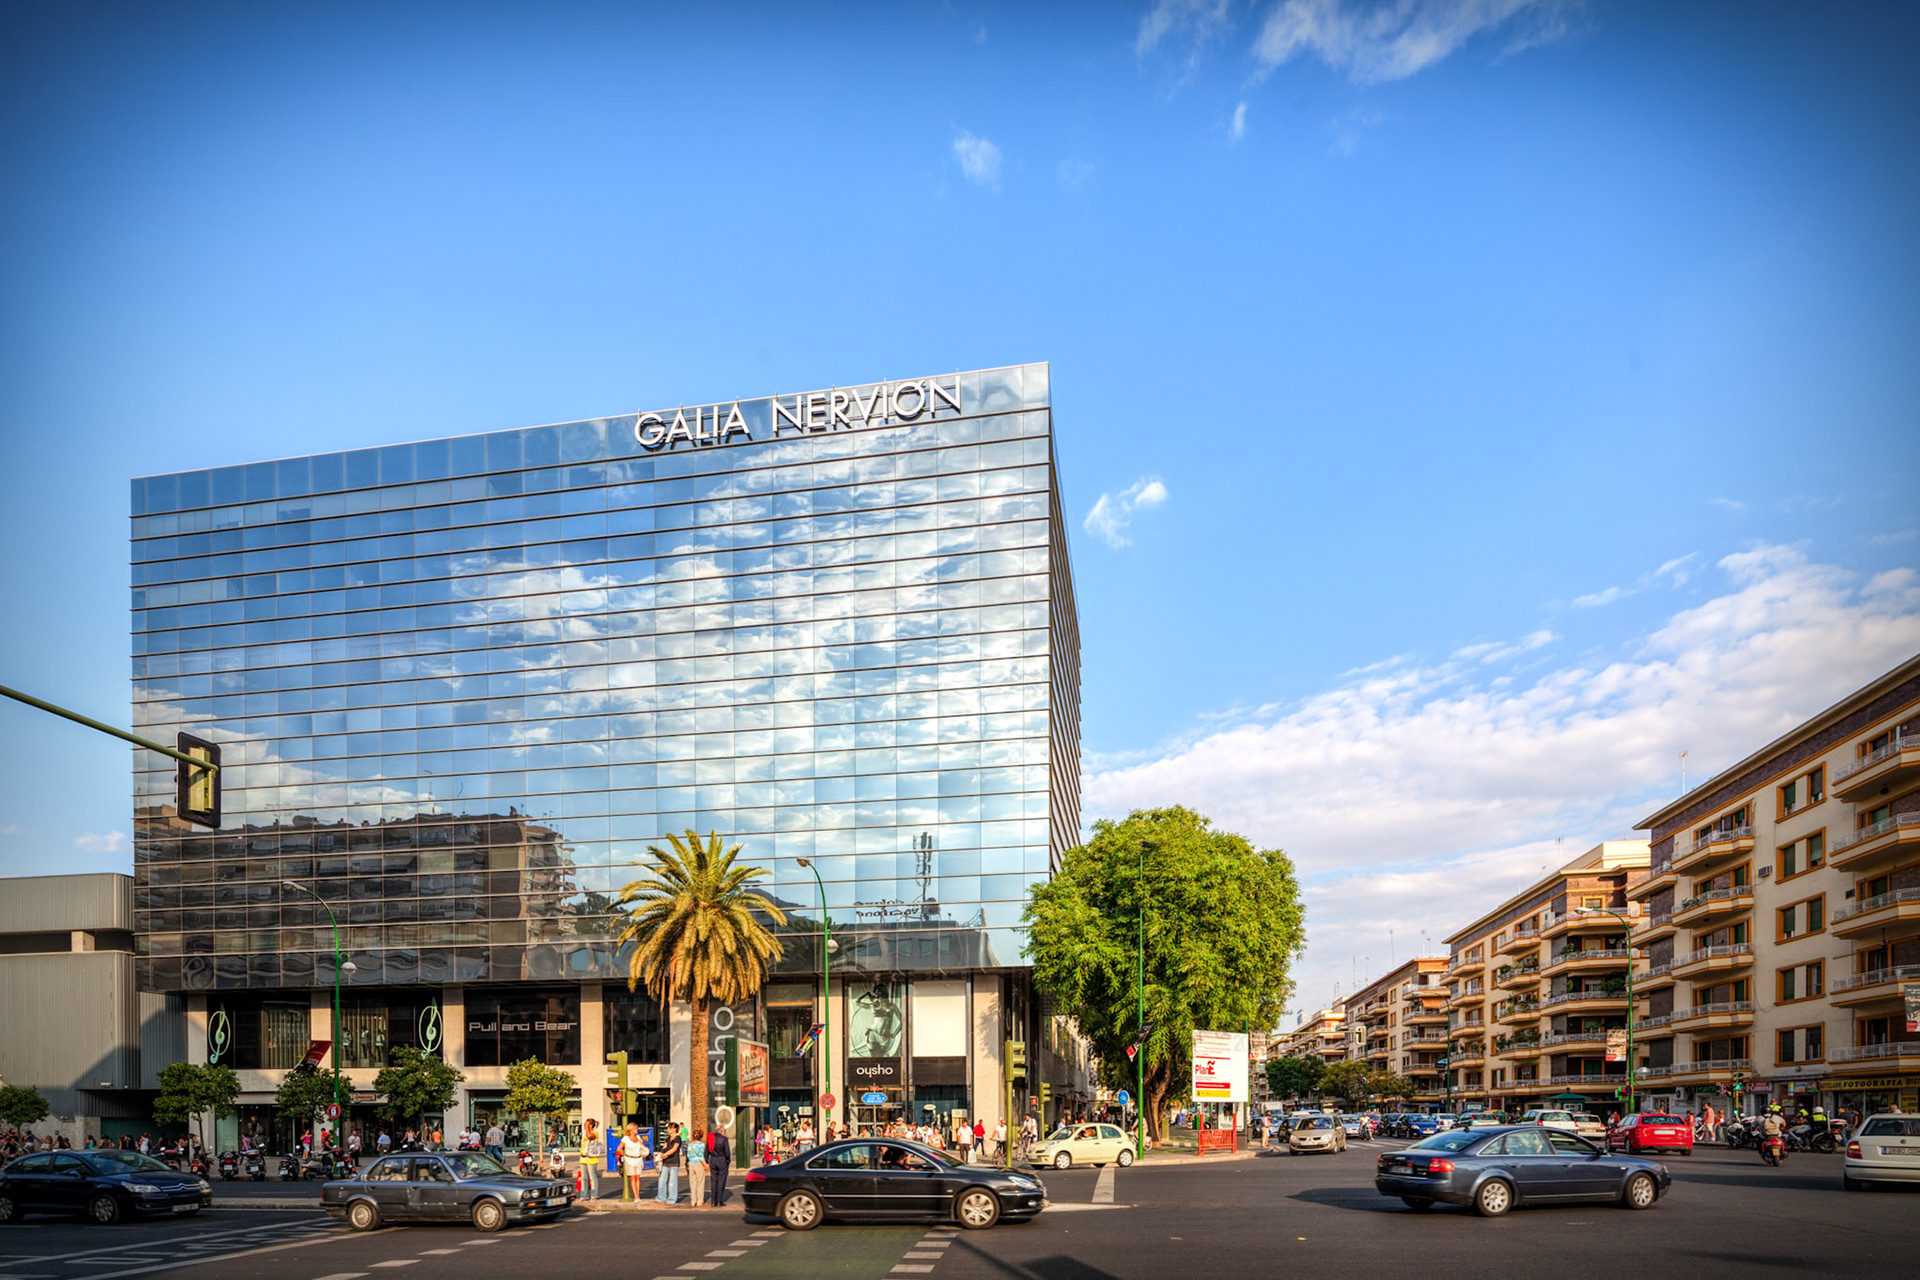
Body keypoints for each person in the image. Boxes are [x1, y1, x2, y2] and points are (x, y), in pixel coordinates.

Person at [619, 1123, 650, 1201]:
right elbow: (619, 1149)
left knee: (637, 1177)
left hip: (638, 1158)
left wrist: (641, 1143)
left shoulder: (638, 1137)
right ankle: (635, 1196)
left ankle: (638, 1195)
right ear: (630, 1130)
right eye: (635, 1129)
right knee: (633, 1177)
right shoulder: (626, 1138)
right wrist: (625, 1155)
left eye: (636, 1128)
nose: (636, 1130)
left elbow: (641, 1147)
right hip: (629, 1159)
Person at [654, 1122, 682, 1205]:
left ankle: (671, 1199)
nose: (668, 1130)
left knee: (672, 1182)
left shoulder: (677, 1138)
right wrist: (661, 1154)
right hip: (665, 1162)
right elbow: (664, 1147)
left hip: (674, 1162)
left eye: (670, 1128)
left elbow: (674, 1149)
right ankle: (661, 1197)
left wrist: (666, 1154)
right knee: (662, 1180)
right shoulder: (667, 1138)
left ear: (674, 1129)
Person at [706, 1124, 732, 1208]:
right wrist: (728, 1160)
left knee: (713, 1180)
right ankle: (719, 1200)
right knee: (721, 1180)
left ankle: (713, 1201)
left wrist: (707, 1161)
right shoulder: (724, 1139)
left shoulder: (710, 1138)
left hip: (713, 1159)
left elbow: (706, 1151)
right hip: (722, 1159)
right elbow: (727, 1151)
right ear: (721, 1130)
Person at [580, 1120, 604, 1202]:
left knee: (592, 1177)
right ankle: (584, 1195)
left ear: (590, 1125)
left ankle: (594, 1195)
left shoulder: (595, 1133)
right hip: (583, 1158)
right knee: (584, 1178)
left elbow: (590, 1136)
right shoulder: (584, 1134)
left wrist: (588, 1129)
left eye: (586, 1124)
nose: (584, 1126)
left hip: (591, 1159)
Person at [687, 1124, 708, 1207]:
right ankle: (699, 1201)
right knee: (700, 1183)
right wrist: (705, 1165)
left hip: (691, 1164)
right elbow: (701, 1155)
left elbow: (688, 1155)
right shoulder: (701, 1144)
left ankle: (693, 1201)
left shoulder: (689, 1144)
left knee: (693, 1183)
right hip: (699, 1164)